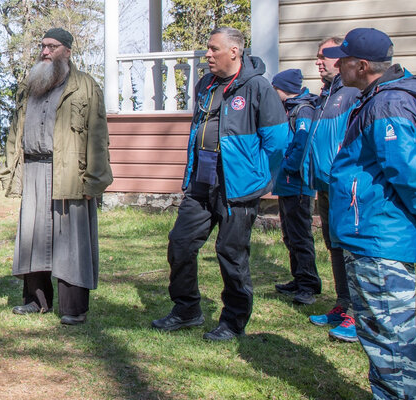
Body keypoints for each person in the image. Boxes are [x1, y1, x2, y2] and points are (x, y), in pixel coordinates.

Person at [324, 27, 416, 400]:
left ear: (361, 66)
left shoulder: (389, 104)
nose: (336, 64)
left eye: (342, 59)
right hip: (369, 233)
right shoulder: (379, 100)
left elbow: (406, 170)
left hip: (380, 234)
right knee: (378, 328)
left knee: (390, 332)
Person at [151, 27, 288, 341]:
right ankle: (187, 310)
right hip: (202, 181)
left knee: (230, 253)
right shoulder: (206, 84)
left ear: (235, 51)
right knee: (181, 243)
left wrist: (259, 179)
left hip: (237, 187)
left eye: (214, 49)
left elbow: (278, 141)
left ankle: (233, 322)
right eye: (207, 49)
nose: (207, 55)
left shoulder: (257, 88)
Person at [0, 28, 112, 325]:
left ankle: (73, 309)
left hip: (71, 172)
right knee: (33, 236)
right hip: (34, 169)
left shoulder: (85, 86)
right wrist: (12, 169)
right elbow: (15, 131)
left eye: (52, 47)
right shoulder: (30, 85)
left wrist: (94, 180)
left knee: (72, 241)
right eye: (43, 46)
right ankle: (36, 301)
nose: (45, 52)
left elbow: (98, 136)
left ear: (68, 51)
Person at [298, 37, 361, 342]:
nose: (318, 62)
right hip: (325, 184)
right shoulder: (326, 95)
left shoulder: (350, 93)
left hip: (344, 184)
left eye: (323, 56)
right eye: (317, 56)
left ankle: (357, 315)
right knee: (334, 245)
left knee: (349, 246)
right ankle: (343, 304)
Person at [270, 68, 320, 304]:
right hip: (286, 182)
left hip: (297, 183)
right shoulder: (289, 109)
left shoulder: (303, 110)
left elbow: (302, 143)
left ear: (282, 88)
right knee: (290, 235)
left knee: (300, 235)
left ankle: (308, 285)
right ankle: (298, 278)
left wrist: (289, 167)